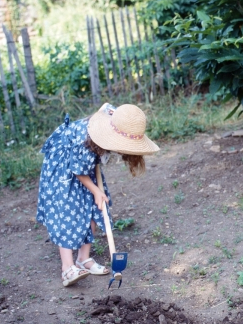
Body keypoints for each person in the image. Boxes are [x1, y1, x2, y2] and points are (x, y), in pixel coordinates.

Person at [36, 103, 159, 287]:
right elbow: (77, 170)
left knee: (95, 208)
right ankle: (67, 267)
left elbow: (105, 107)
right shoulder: (85, 140)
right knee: (67, 213)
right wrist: (95, 190)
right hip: (65, 170)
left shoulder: (118, 118)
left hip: (85, 166)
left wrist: (96, 193)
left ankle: (83, 259)